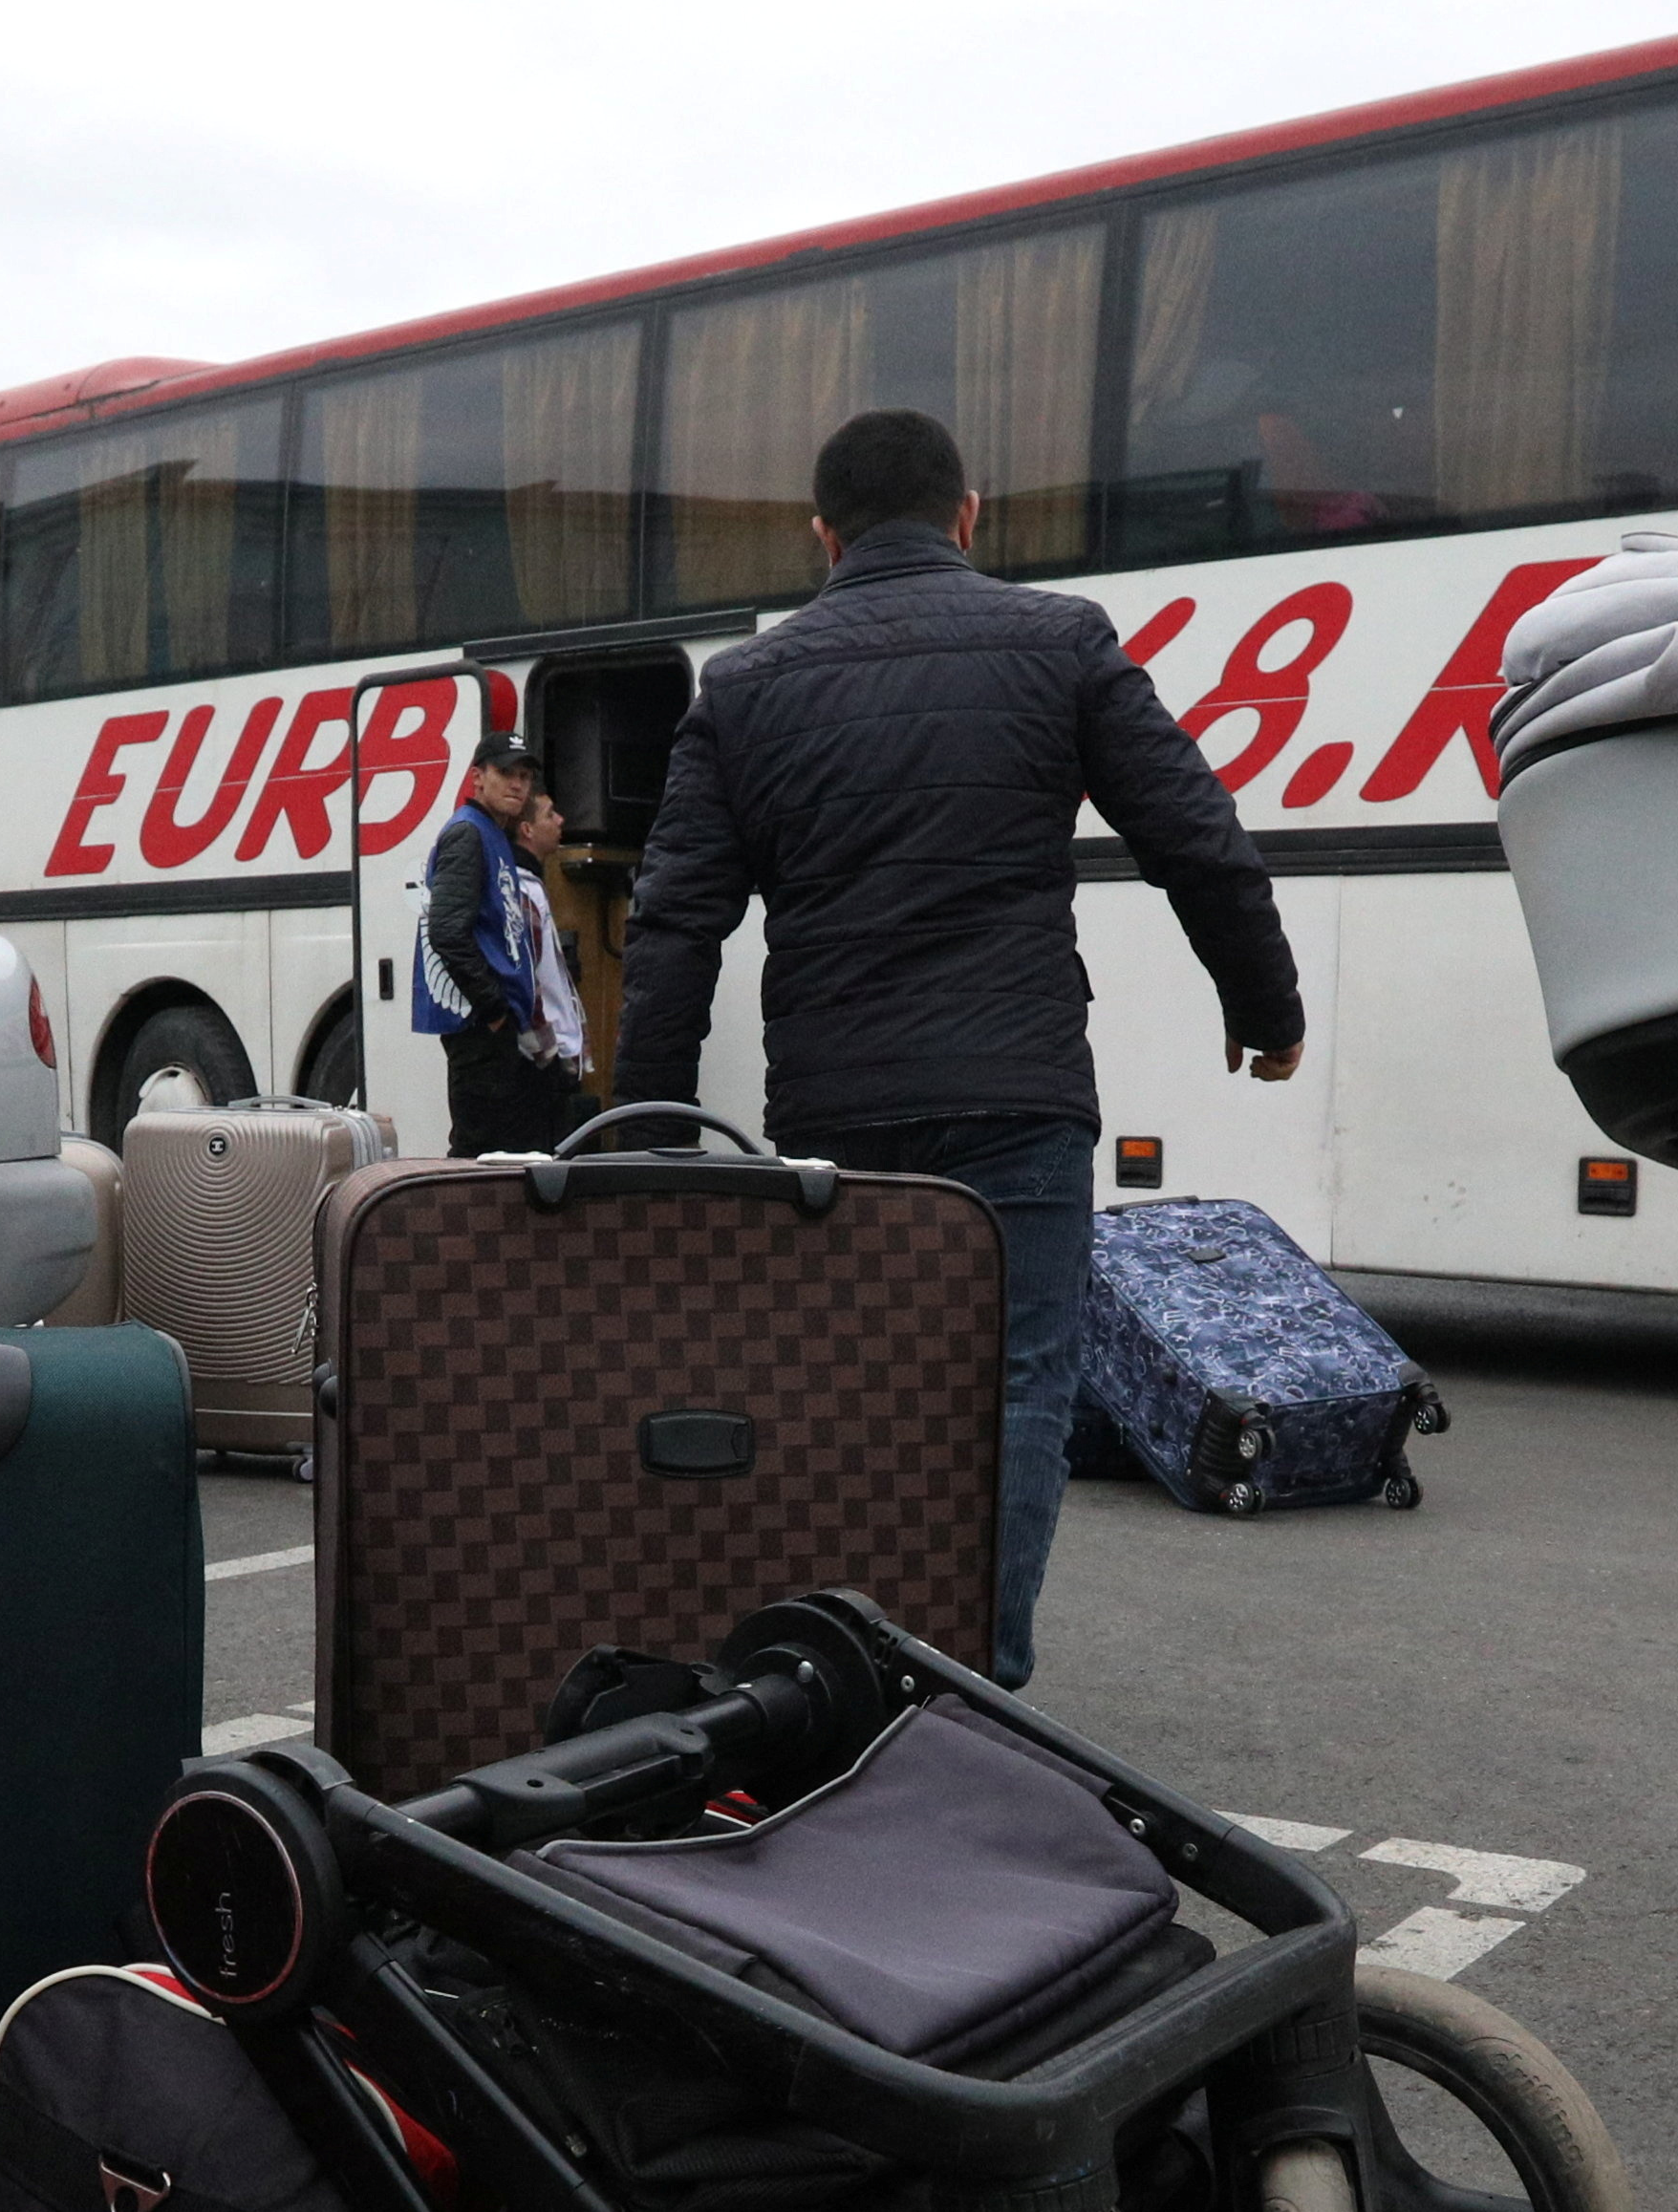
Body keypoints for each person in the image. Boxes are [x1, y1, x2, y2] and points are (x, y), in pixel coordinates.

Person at [613, 407, 1302, 1687]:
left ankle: (851, 1667)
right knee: (1019, 1382)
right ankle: (978, 1684)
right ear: (969, 513)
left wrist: (647, 1125)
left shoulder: (749, 685)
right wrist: (1265, 1008)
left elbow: (673, 924)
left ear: (823, 538)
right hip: (1017, 1094)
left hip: (842, 1106)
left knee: (859, 1394)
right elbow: (1194, 834)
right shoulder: (1059, 641)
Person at [415, 731, 593, 1154]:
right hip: (478, 1029)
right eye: (505, 773)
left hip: (496, 1030)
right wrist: (494, 1008)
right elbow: (446, 931)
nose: (517, 784)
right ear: (478, 777)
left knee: (505, 1152)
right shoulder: (467, 833)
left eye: (525, 776)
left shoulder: (491, 834)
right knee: (479, 1153)